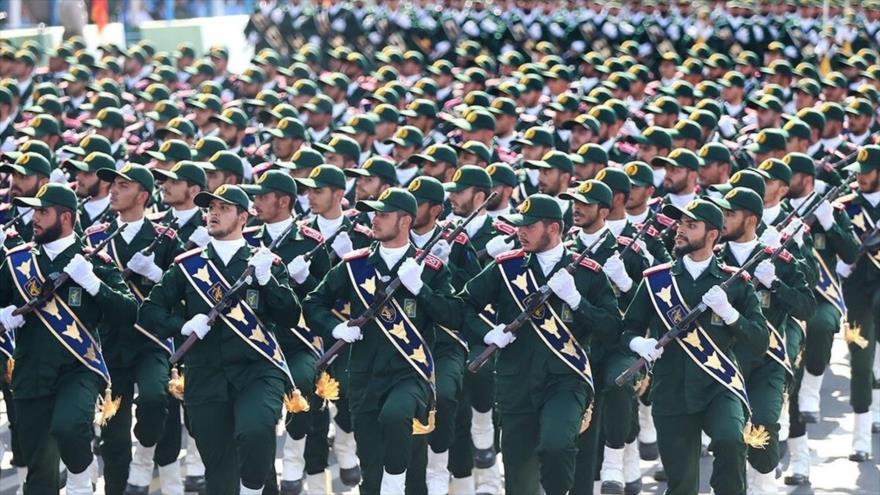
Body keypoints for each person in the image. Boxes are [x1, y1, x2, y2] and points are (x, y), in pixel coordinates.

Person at [138, 185, 301, 494]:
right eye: (211, 207)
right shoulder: (188, 266)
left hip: (257, 371)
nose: (213, 212)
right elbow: (149, 311)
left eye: (223, 208)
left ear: (244, 216)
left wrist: (268, 282)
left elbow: (291, 316)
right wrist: (182, 325)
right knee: (220, 472)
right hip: (205, 375)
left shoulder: (265, 262)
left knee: (255, 433)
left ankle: (253, 488)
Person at [458, 193, 620, 495]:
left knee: (557, 446)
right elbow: (464, 305)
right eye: (520, 225)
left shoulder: (587, 273)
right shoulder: (506, 267)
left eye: (529, 227)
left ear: (555, 228)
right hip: (515, 379)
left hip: (565, 379)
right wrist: (487, 333)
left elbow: (612, 329)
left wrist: (576, 300)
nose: (520, 232)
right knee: (518, 473)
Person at [304, 188, 460, 494]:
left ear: (405, 221)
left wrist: (422, 290)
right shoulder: (354, 264)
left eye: (383, 215)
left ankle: (394, 480)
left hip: (410, 373)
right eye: (374, 213)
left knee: (396, 415)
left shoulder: (429, 269)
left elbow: (454, 316)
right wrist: (336, 328)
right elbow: (313, 303)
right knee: (371, 467)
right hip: (364, 376)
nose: (375, 220)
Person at [621, 199, 769, 495]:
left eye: (691, 226)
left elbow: (760, 340)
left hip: (719, 384)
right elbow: (628, 328)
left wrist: (730, 315)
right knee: (681, 482)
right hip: (670, 388)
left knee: (730, 440)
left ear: (712, 234)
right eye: (680, 225)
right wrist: (639, 342)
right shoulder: (656, 280)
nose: (680, 231)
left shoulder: (735, 282)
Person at [0, 183, 136, 494]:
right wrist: (5, 315)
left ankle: (78, 481)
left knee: (70, 426)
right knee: (41, 473)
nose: (34, 218)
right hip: (31, 372)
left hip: (78, 369)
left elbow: (129, 312)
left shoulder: (93, 261)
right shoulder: (17, 261)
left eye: (42, 212)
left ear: (65, 218)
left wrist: (91, 283)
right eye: (34, 211)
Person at [84, 163, 185, 495]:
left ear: (143, 195)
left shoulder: (165, 238)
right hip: (110, 341)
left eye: (123, 186)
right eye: (112, 185)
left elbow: (186, 289)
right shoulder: (95, 236)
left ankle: (145, 452)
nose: (113, 190)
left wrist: (157, 274)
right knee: (112, 433)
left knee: (156, 397)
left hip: (151, 340)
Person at [711, 187, 814, 492]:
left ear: (752, 219)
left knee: (763, 427)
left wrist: (776, 284)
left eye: (731, 214)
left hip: (767, 361)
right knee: (728, 437)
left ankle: (763, 481)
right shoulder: (714, 259)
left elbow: (807, 307)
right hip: (725, 362)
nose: (724, 219)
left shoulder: (779, 260)